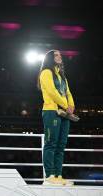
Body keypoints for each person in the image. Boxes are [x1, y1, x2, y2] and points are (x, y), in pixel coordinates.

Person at [38, 50, 75, 186]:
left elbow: (68, 93)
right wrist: (66, 105)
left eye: (60, 55)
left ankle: (58, 175)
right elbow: (52, 92)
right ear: (50, 58)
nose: (60, 56)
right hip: (51, 111)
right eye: (56, 55)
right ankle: (49, 176)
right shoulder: (46, 73)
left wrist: (71, 105)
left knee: (61, 145)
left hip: (64, 113)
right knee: (51, 143)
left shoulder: (62, 76)